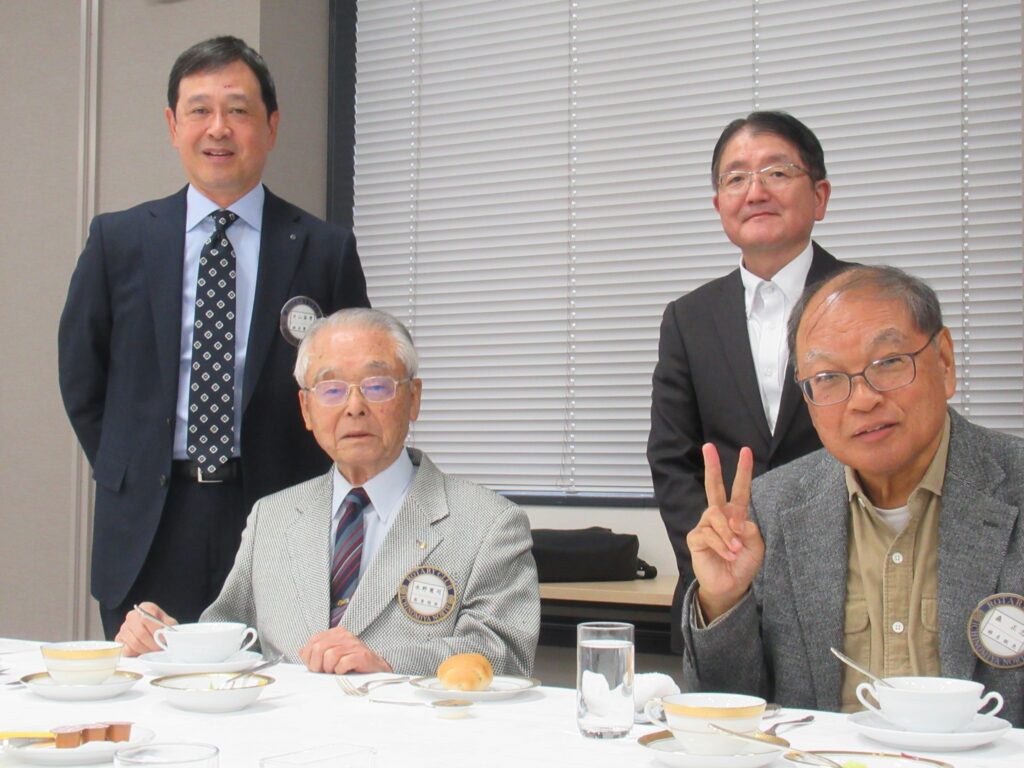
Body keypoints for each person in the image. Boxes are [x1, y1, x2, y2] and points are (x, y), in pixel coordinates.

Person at [58, 36, 370, 638]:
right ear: (173, 125)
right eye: (199, 110)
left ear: (271, 126)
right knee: (150, 683)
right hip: (151, 521)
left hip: (279, 514)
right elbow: (81, 378)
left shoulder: (324, 250)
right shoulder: (118, 241)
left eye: (238, 110)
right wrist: (132, 467)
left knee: (280, 684)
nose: (218, 128)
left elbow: (352, 384)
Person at [681, 265, 1024, 727]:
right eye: (827, 377)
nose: (862, 399)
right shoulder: (773, 508)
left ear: (944, 362)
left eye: (888, 363)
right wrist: (723, 601)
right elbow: (731, 719)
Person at [115, 308, 540, 676]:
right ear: (306, 409)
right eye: (332, 390)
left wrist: (386, 662)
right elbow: (232, 638)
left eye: (377, 385)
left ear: (413, 398)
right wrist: (168, 640)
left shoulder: (488, 523)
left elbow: (505, 656)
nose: (354, 407)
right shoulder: (272, 517)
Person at [647, 111, 850, 651]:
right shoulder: (688, 318)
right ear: (719, 205)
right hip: (724, 594)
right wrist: (717, 561)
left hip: (849, 585)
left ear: (820, 196)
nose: (755, 191)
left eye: (777, 172)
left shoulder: (865, 301)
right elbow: (671, 457)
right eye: (736, 178)